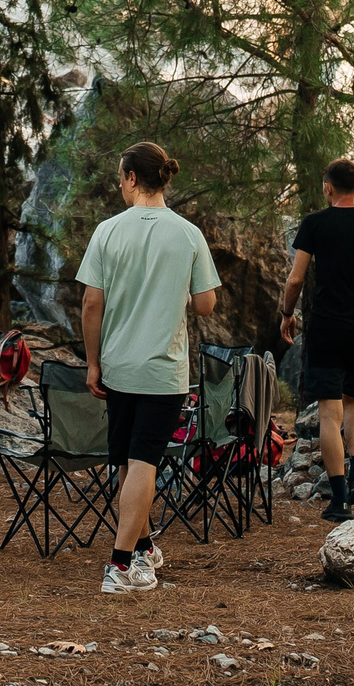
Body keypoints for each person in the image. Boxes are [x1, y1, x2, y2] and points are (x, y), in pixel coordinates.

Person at [76, 141, 221, 596]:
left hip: (118, 365)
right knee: (143, 462)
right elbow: (205, 305)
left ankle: (140, 552)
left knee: (127, 462)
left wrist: (93, 363)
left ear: (133, 179)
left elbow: (91, 302)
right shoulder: (188, 234)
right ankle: (123, 563)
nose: (120, 186)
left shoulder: (107, 231)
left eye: (121, 178)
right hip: (163, 369)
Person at [278, 159, 354, 523]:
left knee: (329, 412)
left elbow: (295, 280)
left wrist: (287, 314)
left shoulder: (315, 224)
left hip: (326, 327)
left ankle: (340, 499)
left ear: (328, 188)